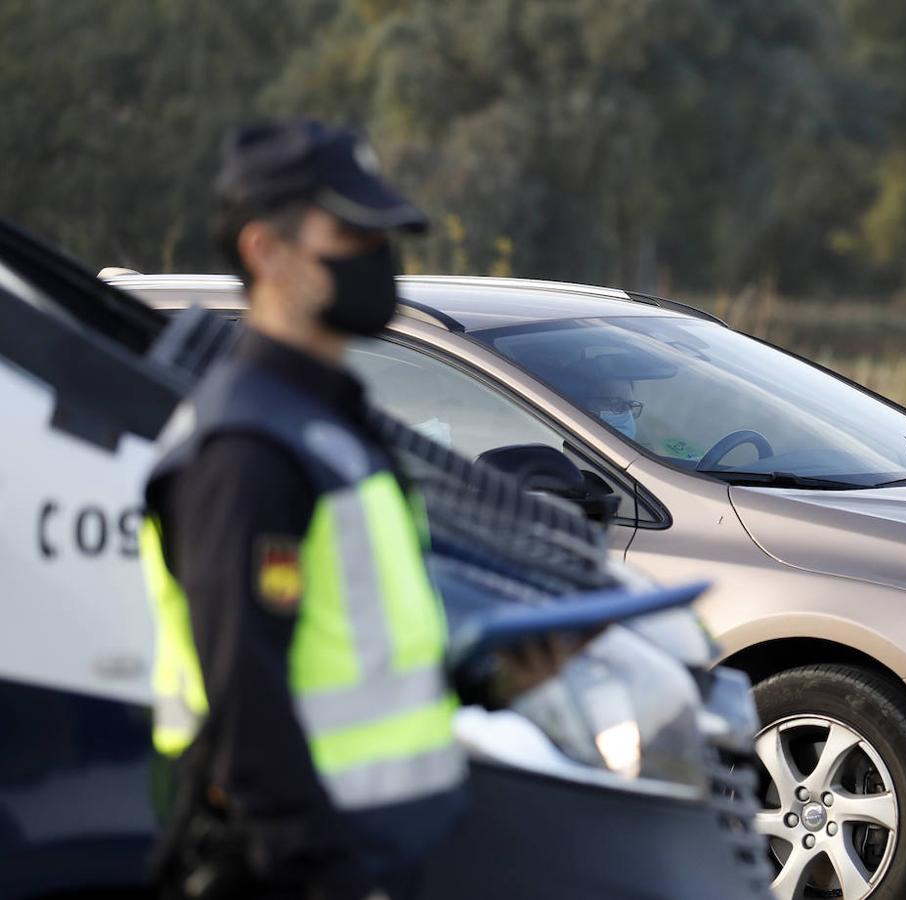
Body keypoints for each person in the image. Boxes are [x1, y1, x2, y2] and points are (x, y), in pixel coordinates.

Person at [139, 120, 562, 900]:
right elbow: (247, 703)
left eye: (384, 237)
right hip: (293, 874)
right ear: (266, 252)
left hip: (374, 859)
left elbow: (353, 665)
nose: (381, 261)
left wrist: (491, 679)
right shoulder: (247, 449)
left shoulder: (328, 423)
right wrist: (334, 880)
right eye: (353, 236)